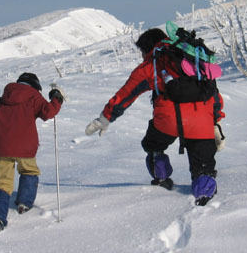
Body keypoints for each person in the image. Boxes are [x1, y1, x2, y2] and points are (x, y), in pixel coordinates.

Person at [85, 28, 225, 205]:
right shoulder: (193, 60)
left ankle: (161, 175)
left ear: (147, 48)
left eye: (142, 52)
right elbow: (213, 94)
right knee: (203, 166)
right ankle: (205, 198)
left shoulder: (151, 65)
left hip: (166, 122)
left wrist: (105, 119)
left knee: (153, 145)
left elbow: (125, 96)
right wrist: (215, 122)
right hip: (201, 123)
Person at [0, 72, 64, 235]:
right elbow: (48, 112)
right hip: (26, 148)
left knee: (3, 183)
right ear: (35, 87)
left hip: (2, 149)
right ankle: (24, 203)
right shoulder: (33, 97)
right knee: (29, 171)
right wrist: (57, 98)